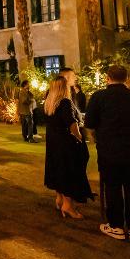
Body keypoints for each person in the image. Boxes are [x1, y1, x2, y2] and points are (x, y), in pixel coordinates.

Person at [85, 65, 130, 243]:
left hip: (110, 150)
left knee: (113, 187)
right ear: (126, 78)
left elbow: (89, 122)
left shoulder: (100, 96)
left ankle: (116, 226)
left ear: (108, 77)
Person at [43, 76, 93, 218]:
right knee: (68, 171)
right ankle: (68, 205)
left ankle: (59, 199)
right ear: (63, 88)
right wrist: (79, 136)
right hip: (65, 143)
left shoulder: (49, 102)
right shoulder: (64, 102)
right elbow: (71, 123)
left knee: (58, 169)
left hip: (53, 142)